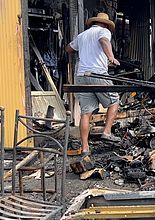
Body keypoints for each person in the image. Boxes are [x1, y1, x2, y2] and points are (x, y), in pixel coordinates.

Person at [65, 13, 121, 155]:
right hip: (97, 73)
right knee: (114, 101)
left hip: (81, 76)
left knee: (86, 113)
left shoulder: (82, 35)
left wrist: (83, 50)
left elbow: (68, 49)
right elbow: (103, 41)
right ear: (106, 24)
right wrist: (111, 57)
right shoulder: (104, 31)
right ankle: (107, 132)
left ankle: (85, 148)